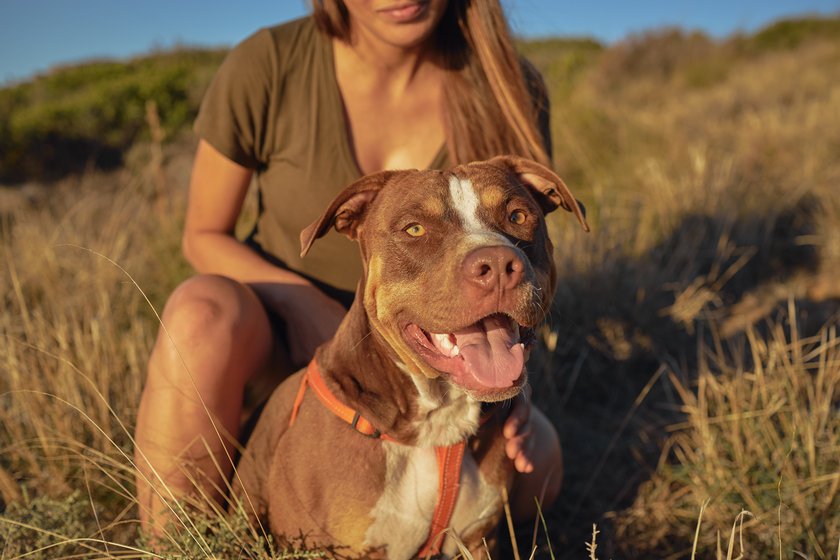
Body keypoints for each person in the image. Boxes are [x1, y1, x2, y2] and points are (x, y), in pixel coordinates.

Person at [134, 0, 563, 538]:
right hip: (276, 332)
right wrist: (304, 304)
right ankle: (178, 541)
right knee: (201, 310)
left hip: (444, 337)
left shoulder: (505, 80)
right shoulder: (270, 63)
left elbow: (520, 246)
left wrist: (516, 377)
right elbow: (202, 234)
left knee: (540, 464)